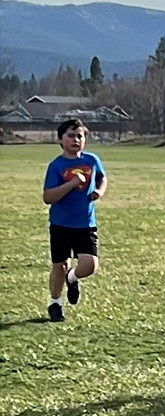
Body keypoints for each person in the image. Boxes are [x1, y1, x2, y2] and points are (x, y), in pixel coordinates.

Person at [42, 119, 108, 323]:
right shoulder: (56, 166)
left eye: (80, 136)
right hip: (61, 223)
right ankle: (55, 303)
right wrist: (71, 183)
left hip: (85, 223)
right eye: (71, 136)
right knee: (59, 264)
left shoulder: (91, 160)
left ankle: (73, 278)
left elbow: (103, 178)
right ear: (61, 140)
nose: (76, 140)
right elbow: (48, 197)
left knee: (90, 265)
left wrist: (99, 191)